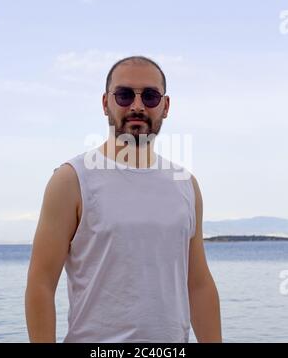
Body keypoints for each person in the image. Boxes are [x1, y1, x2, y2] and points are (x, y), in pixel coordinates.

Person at [25, 56, 222, 343]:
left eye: (151, 96)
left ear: (165, 107)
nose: (138, 106)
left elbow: (198, 283)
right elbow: (41, 283)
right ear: (106, 102)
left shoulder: (186, 184)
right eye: (125, 95)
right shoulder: (72, 180)